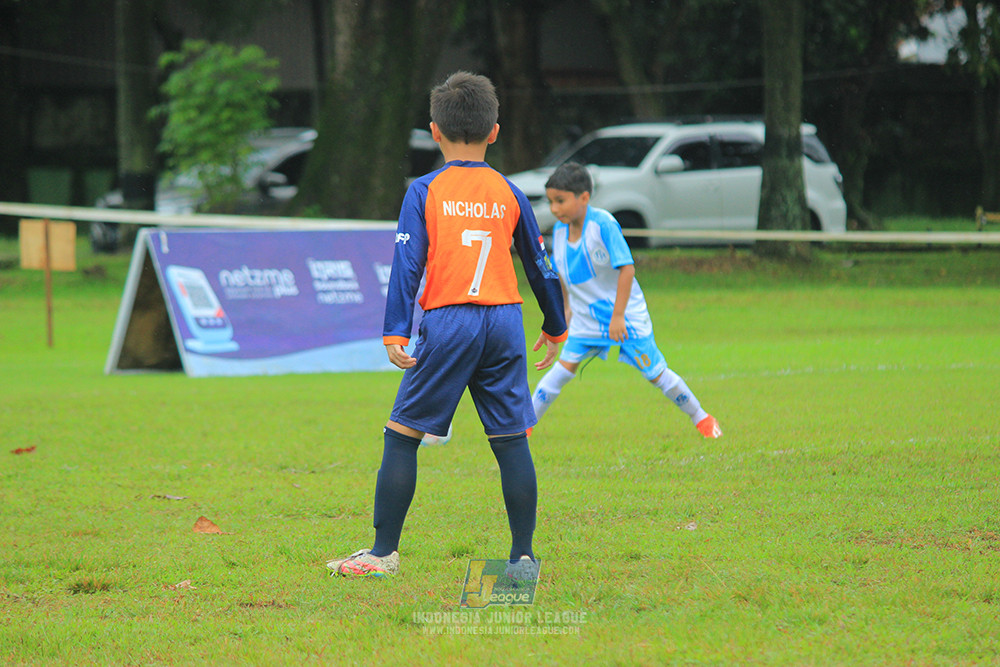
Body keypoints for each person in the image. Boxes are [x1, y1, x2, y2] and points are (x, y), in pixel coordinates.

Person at [327, 71, 567, 578]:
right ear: (494, 131)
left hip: (451, 319)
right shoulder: (510, 192)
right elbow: (539, 263)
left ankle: (382, 554)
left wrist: (395, 329)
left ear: (434, 131)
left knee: (401, 435)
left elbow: (407, 263)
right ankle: (522, 558)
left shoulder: (425, 190)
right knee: (511, 439)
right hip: (504, 319)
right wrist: (555, 323)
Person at [530, 162, 721, 440]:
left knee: (656, 374)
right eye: (550, 202)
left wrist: (618, 316)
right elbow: (563, 275)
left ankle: (702, 418)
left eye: (560, 201)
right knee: (563, 370)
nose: (554, 209)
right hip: (586, 319)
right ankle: (523, 428)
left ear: (584, 197)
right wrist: (566, 310)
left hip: (625, 316)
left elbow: (627, 269)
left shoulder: (603, 225)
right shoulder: (559, 232)